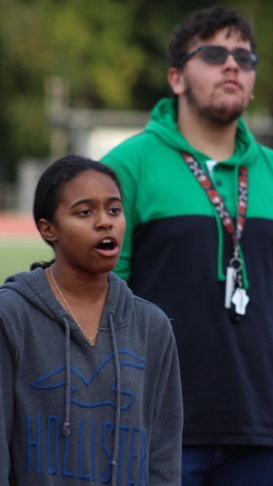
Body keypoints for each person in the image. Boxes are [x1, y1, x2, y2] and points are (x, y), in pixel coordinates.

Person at [101, 6, 273, 486]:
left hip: (258, 434)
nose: (233, 64)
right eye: (214, 53)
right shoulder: (125, 166)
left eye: (245, 56)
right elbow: (100, 300)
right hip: (153, 427)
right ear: (176, 78)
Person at [0, 155, 183, 486]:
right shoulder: (11, 316)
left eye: (114, 210)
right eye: (85, 212)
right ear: (48, 229)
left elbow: (163, 453)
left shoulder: (152, 326)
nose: (105, 222)